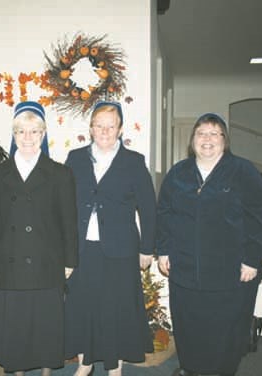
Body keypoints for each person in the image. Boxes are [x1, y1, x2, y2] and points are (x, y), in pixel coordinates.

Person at [156, 113, 262, 376]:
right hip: (185, 268)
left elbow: (261, 215)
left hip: (231, 270)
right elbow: (163, 212)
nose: (206, 139)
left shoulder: (243, 171)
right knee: (188, 323)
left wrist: (253, 259)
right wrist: (163, 249)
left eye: (214, 133)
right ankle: (191, 368)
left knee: (225, 327)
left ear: (224, 140)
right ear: (192, 140)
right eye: (201, 133)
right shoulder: (179, 172)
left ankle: (221, 370)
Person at [0, 101, 78, 376]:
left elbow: (69, 221)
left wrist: (70, 260)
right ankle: (17, 371)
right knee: (15, 323)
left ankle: (46, 371)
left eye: (34, 132)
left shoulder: (60, 173)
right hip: (8, 259)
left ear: (44, 135)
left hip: (47, 259)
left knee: (46, 321)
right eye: (21, 131)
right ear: (14, 135)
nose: (28, 138)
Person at [64, 101, 157, 376]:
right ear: (91, 128)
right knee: (83, 304)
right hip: (83, 247)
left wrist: (147, 248)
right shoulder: (75, 158)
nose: (105, 131)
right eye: (99, 125)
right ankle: (85, 361)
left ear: (120, 129)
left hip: (121, 248)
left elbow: (149, 208)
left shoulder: (134, 161)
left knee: (116, 306)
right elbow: (64, 204)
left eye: (111, 126)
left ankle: (114, 365)